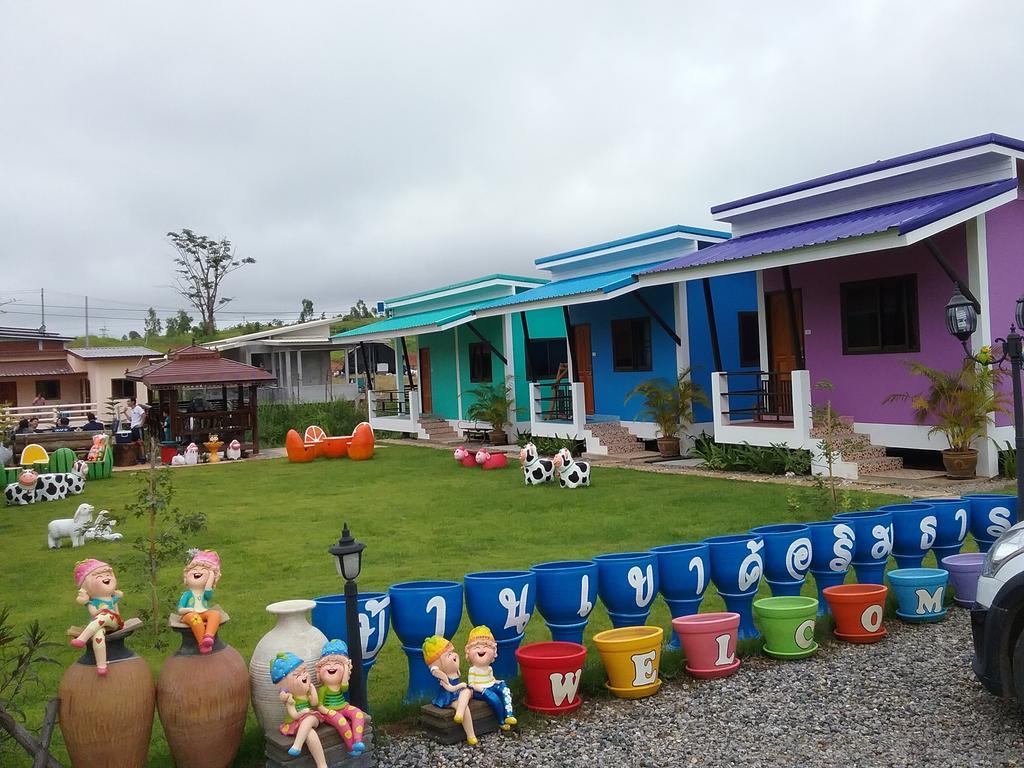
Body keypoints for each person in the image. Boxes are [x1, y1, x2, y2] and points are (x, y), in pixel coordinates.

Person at [123, 398, 149, 463]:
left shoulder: (138, 408)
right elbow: (131, 419)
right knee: (134, 443)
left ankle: (143, 458)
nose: (127, 402)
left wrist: (141, 424)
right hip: (133, 428)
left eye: (129, 401)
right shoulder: (132, 410)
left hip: (138, 427)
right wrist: (125, 413)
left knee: (140, 442)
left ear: (133, 402)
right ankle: (137, 457)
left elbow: (144, 415)